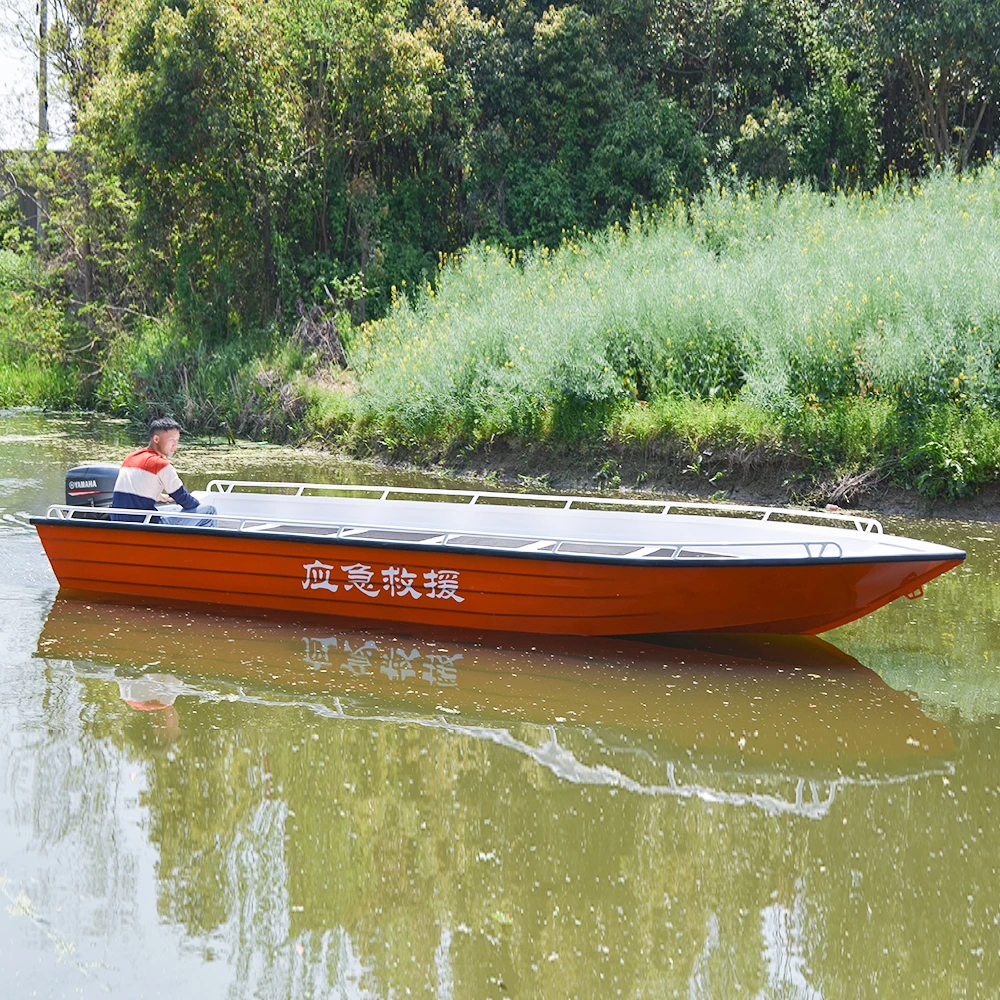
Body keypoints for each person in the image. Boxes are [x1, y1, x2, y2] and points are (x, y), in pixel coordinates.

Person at [111, 416, 217, 526]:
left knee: (176, 508)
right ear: (156, 439)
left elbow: (138, 491)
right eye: (172, 441)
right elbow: (184, 499)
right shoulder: (161, 465)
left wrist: (161, 497)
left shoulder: (131, 458)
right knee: (209, 511)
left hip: (119, 521)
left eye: (177, 441)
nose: (175, 446)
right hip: (144, 525)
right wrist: (200, 504)